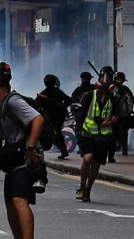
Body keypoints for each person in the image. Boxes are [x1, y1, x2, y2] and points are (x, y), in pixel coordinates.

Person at [0, 62, 45, 239]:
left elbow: (38, 120)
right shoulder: (0, 106)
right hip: (13, 160)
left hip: (26, 159)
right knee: (10, 203)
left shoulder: (13, 101)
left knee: (19, 200)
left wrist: (31, 147)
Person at [75, 66, 123, 202]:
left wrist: (110, 122)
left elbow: (119, 114)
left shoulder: (114, 98)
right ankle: (82, 186)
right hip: (88, 133)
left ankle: (88, 190)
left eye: (108, 78)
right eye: (103, 78)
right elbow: (79, 113)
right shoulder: (89, 95)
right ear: (99, 79)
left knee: (96, 165)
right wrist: (79, 130)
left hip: (104, 137)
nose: (105, 81)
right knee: (87, 159)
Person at [36, 75, 71, 159]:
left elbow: (69, 100)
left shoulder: (55, 92)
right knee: (55, 133)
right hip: (52, 117)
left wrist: (62, 106)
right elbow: (37, 104)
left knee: (55, 133)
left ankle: (64, 150)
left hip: (58, 116)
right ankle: (63, 150)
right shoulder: (46, 93)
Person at [113, 72, 133, 156]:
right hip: (113, 115)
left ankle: (124, 150)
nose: (120, 81)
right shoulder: (112, 88)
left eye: (121, 80)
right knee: (114, 133)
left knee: (124, 132)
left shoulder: (125, 89)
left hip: (124, 115)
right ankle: (114, 150)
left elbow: (131, 100)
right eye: (118, 79)